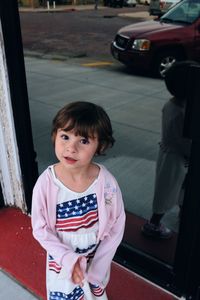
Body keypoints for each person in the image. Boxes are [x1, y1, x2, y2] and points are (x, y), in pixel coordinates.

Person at [31, 101, 126, 300]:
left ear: (100, 145)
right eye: (65, 137)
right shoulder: (46, 183)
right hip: (62, 260)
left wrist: (98, 270)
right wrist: (68, 260)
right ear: (54, 136)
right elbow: (40, 228)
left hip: (94, 259)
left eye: (83, 141)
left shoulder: (106, 182)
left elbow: (116, 225)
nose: (71, 148)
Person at [141, 61, 196, 239]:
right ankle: (153, 224)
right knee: (166, 192)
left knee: (181, 188)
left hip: (175, 155)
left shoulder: (176, 105)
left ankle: (182, 212)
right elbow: (184, 142)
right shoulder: (180, 113)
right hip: (174, 158)